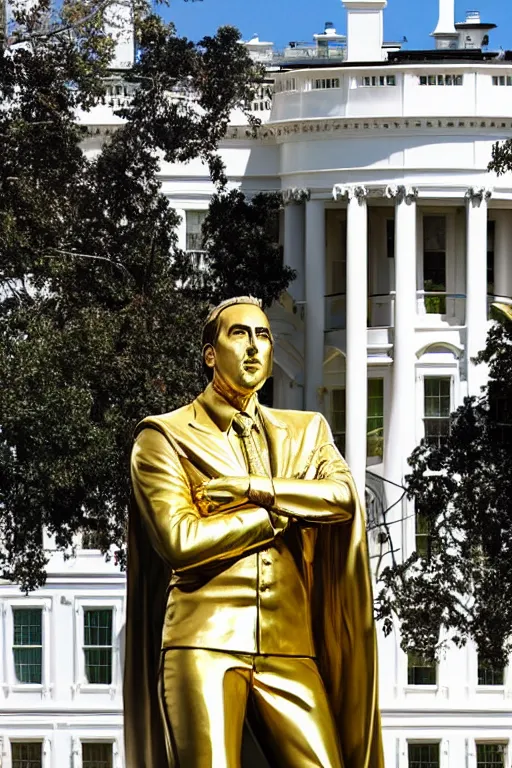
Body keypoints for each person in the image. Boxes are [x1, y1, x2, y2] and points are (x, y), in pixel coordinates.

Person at [124, 296, 383, 768]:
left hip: (290, 646)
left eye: (263, 336)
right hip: (203, 642)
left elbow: (344, 498)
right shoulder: (162, 436)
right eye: (238, 334)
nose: (253, 347)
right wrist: (279, 515)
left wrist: (254, 489)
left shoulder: (307, 431)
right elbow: (181, 543)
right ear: (210, 354)